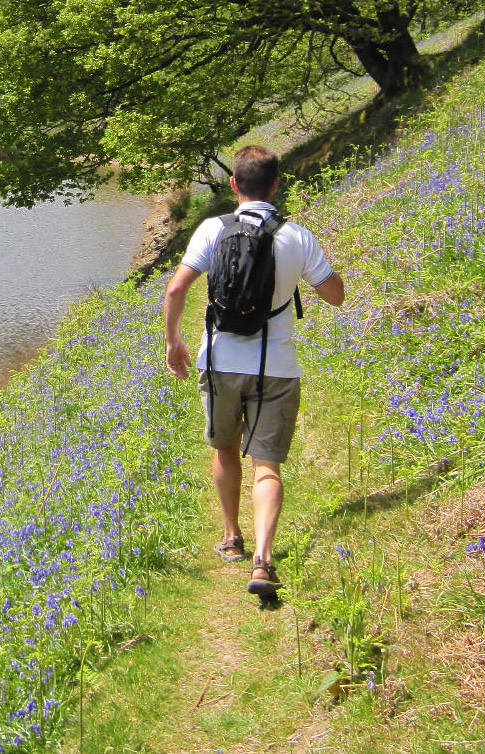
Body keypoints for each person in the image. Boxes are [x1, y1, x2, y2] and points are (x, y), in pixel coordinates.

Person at [163, 145, 345, 598]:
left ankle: (230, 537)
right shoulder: (296, 237)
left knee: (225, 451)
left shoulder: (211, 230)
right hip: (277, 368)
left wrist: (174, 342)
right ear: (277, 184)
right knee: (268, 467)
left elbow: (176, 288)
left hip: (220, 362)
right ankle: (263, 560)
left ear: (233, 185)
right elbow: (336, 296)